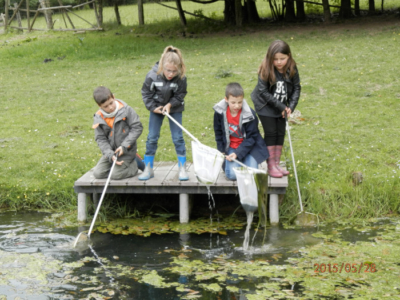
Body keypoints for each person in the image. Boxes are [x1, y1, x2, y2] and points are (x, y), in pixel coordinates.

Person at [250, 40, 301, 178]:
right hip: (265, 105)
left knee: (280, 132)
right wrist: (282, 106)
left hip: (282, 106)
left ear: (288, 56)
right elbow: (263, 92)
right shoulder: (265, 69)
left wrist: (291, 107)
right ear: (270, 57)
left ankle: (277, 163)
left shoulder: (292, 68)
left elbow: (297, 88)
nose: (279, 62)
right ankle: (271, 165)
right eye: (275, 59)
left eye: (282, 59)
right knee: (271, 132)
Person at [139, 45, 188, 181]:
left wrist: (170, 104)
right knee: (152, 137)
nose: (171, 74)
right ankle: (148, 168)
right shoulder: (152, 76)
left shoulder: (181, 78)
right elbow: (146, 93)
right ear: (162, 65)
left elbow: (181, 94)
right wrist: (153, 107)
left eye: (174, 71)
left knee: (178, 137)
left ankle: (182, 168)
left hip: (175, 108)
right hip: (156, 108)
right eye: (168, 70)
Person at [213, 82, 269, 181]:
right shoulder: (219, 112)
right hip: (231, 147)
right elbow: (218, 132)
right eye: (233, 102)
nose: (237, 106)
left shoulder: (250, 114)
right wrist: (221, 150)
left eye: (240, 102)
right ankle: (233, 163)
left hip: (249, 148)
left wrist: (238, 153)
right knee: (231, 175)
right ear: (226, 100)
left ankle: (244, 159)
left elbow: (252, 137)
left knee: (252, 174)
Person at [92, 86, 144, 180]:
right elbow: (100, 138)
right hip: (111, 153)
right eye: (105, 106)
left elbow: (137, 127)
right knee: (98, 174)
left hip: (127, 150)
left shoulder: (127, 110)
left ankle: (134, 164)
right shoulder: (98, 117)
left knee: (115, 175)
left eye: (111, 103)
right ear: (99, 106)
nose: (110, 107)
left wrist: (125, 145)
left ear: (113, 97)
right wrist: (109, 154)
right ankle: (116, 166)